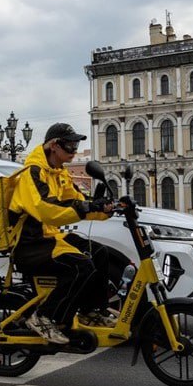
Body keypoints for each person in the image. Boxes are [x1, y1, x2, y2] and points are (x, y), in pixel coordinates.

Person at [9, 123, 115, 344]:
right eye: (70, 144)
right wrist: (86, 208)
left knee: (100, 253)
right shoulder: (32, 173)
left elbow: (76, 200)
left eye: (76, 144)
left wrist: (103, 209)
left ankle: (90, 311)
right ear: (54, 146)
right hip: (30, 244)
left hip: (49, 238)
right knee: (81, 265)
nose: (74, 149)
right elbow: (46, 209)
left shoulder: (59, 173)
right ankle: (44, 316)